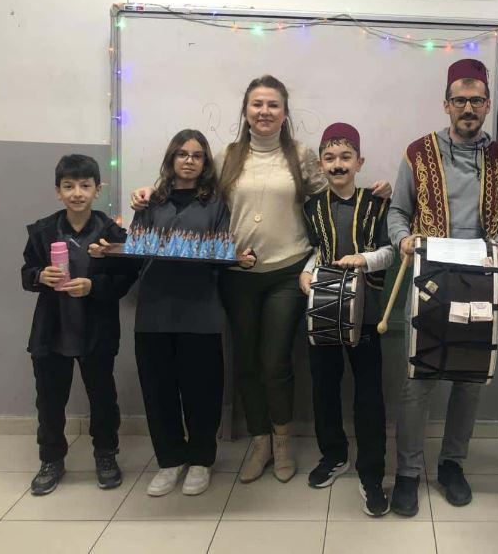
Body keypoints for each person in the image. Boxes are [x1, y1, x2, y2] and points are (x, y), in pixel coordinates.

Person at [129, 76, 389, 486]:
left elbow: (337, 189)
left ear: (284, 113)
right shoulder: (227, 157)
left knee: (274, 361)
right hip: (237, 275)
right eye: (257, 104)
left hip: (288, 271)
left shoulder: (301, 155)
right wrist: (150, 190)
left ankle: (282, 442)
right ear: (246, 111)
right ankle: (260, 441)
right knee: (246, 364)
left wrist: (380, 191)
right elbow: (189, 186)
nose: (264, 111)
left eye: (272, 105)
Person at [388, 58, 498, 516]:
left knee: (469, 379)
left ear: (487, 104)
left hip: (480, 280)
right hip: (429, 280)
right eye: (460, 100)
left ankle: (452, 465)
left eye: (476, 101)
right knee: (418, 379)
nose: (468, 108)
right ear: (446, 104)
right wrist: (402, 239)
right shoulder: (417, 152)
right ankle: (408, 472)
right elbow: (398, 211)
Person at [97, 130, 252, 497]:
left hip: (201, 311)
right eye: (182, 154)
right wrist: (108, 251)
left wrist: (240, 259)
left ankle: (201, 460)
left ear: (205, 163)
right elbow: (136, 249)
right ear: (171, 159)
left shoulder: (216, 203)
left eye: (197, 155)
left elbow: (222, 251)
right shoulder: (150, 202)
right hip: (155, 311)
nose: (189, 161)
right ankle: (169, 460)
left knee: (202, 390)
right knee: (158, 390)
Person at [21, 154, 133, 496]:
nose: (77, 193)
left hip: (95, 330)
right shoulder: (43, 230)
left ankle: (106, 454)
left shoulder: (112, 233)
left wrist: (94, 286)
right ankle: (51, 459)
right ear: (58, 191)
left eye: (85, 186)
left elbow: (126, 278)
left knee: (103, 397)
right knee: (49, 400)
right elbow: (26, 273)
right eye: (68, 186)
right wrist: (40, 275)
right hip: (52, 331)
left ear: (97, 189)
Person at [299, 122, 395, 516]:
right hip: (323, 310)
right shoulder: (312, 207)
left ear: (359, 161)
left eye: (345, 157)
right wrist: (306, 272)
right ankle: (333, 455)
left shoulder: (379, 203)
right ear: (321, 164)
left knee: (369, 395)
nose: (338, 164)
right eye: (330, 158)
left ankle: (372, 473)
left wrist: (363, 259)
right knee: (324, 387)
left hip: (366, 314)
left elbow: (390, 251)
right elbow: (316, 250)